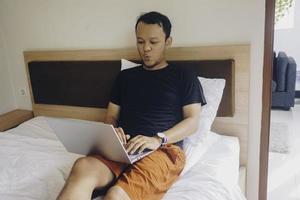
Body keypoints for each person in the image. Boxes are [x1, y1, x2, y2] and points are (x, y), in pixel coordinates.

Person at [57, 11, 206, 200]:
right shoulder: (125, 77)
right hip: (123, 147)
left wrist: (157, 139)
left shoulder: (184, 76)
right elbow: (111, 116)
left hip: (162, 150)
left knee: (115, 195)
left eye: (154, 42)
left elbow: (192, 122)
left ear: (168, 42)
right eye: (140, 41)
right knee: (83, 166)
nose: (146, 49)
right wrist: (113, 132)